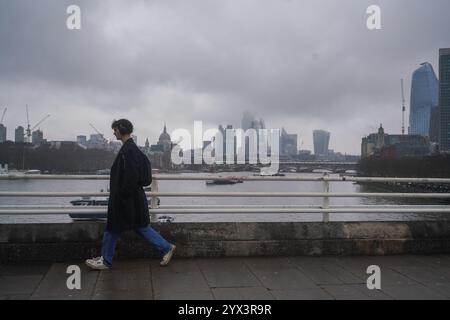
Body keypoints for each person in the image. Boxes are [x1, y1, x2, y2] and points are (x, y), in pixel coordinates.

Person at [86, 119, 176, 270]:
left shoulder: (128, 151)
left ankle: (105, 260)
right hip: (133, 198)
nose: (113, 133)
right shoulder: (132, 148)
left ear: (121, 130)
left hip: (126, 199)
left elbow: (131, 176)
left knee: (112, 227)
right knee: (140, 226)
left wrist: (121, 195)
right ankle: (166, 248)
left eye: (115, 130)